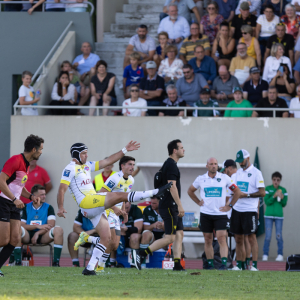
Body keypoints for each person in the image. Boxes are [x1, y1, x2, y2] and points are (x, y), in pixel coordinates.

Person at [57, 141, 172, 275]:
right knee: (118, 195)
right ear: (76, 154)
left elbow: (108, 160)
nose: (86, 156)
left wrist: (124, 150)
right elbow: (61, 189)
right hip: (86, 202)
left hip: (94, 206)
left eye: (87, 153)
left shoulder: (87, 166)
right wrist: (60, 207)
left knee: (107, 239)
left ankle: (89, 268)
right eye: (84, 153)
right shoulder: (70, 168)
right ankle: (155, 192)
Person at [136, 140, 185, 271]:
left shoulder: (169, 164)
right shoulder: (171, 165)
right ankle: (142, 254)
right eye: (181, 148)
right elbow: (172, 186)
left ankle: (177, 264)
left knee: (179, 234)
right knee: (169, 237)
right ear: (175, 150)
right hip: (169, 205)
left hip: (171, 205)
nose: (183, 150)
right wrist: (180, 205)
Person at [0, 134, 44, 277]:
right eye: (40, 149)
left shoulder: (26, 164)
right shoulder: (15, 160)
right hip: (4, 202)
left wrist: (31, 197)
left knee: (14, 238)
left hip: (13, 203)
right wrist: (14, 199)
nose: (41, 152)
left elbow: (19, 186)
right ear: (33, 149)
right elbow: (1, 181)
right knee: (3, 240)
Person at [187, 157, 240, 270]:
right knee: (208, 240)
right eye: (211, 164)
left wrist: (229, 206)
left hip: (220, 214)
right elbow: (190, 191)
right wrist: (198, 202)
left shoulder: (224, 178)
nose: (214, 166)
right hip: (205, 214)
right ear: (207, 166)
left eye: (215, 164)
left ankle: (224, 264)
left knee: (222, 239)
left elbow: (237, 192)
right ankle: (210, 265)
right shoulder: (201, 179)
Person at [220, 149, 266, 271]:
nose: (240, 164)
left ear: (248, 158)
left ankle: (254, 265)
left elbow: (262, 192)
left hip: (250, 210)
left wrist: (248, 195)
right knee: (238, 238)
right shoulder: (236, 175)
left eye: (242, 161)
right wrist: (228, 206)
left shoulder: (256, 173)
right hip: (237, 210)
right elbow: (231, 193)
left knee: (251, 238)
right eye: (238, 161)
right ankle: (239, 265)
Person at [16, 185, 63, 266]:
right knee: (17, 229)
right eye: (41, 195)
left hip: (43, 235)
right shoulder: (26, 207)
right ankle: (17, 262)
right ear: (34, 196)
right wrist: (36, 226)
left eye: (44, 194)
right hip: (27, 235)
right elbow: (22, 225)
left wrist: (38, 233)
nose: (44, 196)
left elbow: (51, 225)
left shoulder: (49, 207)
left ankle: (56, 263)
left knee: (58, 230)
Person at [262, 172, 288, 262]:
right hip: (268, 215)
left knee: (279, 236)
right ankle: (265, 254)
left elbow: (284, 204)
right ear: (272, 180)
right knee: (268, 236)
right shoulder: (268, 189)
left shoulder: (283, 190)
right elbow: (267, 202)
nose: (276, 182)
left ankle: (280, 254)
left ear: (280, 181)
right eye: (274, 180)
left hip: (279, 216)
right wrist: (274, 196)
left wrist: (281, 197)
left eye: (278, 180)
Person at [72, 42, 100, 108]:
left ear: (90, 48)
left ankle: (90, 89)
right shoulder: (78, 58)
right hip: (79, 77)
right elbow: (72, 69)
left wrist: (86, 73)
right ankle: (83, 87)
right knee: (71, 70)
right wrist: (74, 66)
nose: (86, 48)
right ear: (81, 49)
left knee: (93, 70)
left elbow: (98, 68)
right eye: (84, 47)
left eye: (88, 46)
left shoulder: (95, 57)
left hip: (89, 76)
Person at [140, 197, 165, 268]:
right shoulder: (147, 210)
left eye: (154, 203)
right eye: (151, 203)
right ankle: (142, 264)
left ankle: (174, 262)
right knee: (146, 234)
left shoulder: (166, 209)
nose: (152, 205)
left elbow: (170, 229)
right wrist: (154, 225)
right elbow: (145, 228)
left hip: (164, 236)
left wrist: (163, 226)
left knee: (171, 235)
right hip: (152, 236)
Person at [120, 202, 143, 267]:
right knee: (110, 235)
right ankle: (111, 263)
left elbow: (139, 229)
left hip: (131, 235)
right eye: (123, 208)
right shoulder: (115, 210)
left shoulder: (136, 210)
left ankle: (134, 264)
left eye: (127, 208)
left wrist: (127, 229)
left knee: (134, 237)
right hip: (119, 234)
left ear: (130, 203)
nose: (125, 211)